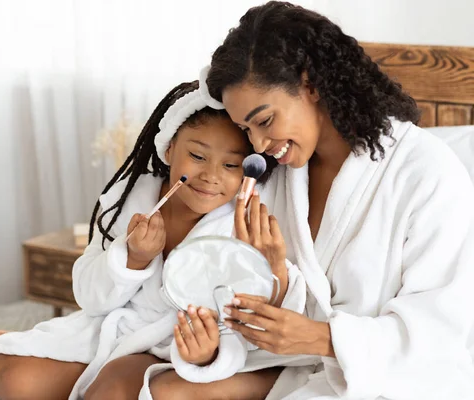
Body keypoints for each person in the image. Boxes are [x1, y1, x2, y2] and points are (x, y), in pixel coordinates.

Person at [151, 2, 474, 399]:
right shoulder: (279, 176)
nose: (258, 145)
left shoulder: (427, 173)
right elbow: (251, 301)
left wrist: (323, 339)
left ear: (311, 85)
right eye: (245, 129)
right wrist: (273, 278)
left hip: (390, 377)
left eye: (265, 121)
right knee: (162, 391)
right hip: (302, 366)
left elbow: (441, 331)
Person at [0, 80, 285, 400]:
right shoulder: (128, 198)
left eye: (230, 165)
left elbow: (247, 324)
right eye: (197, 155)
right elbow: (89, 297)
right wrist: (132, 259)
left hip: (170, 349)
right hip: (114, 330)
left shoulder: (242, 225)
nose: (211, 175)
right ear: (170, 149)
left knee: (109, 394)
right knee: (10, 377)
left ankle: (90, 371)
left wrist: (207, 356)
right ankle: (27, 344)